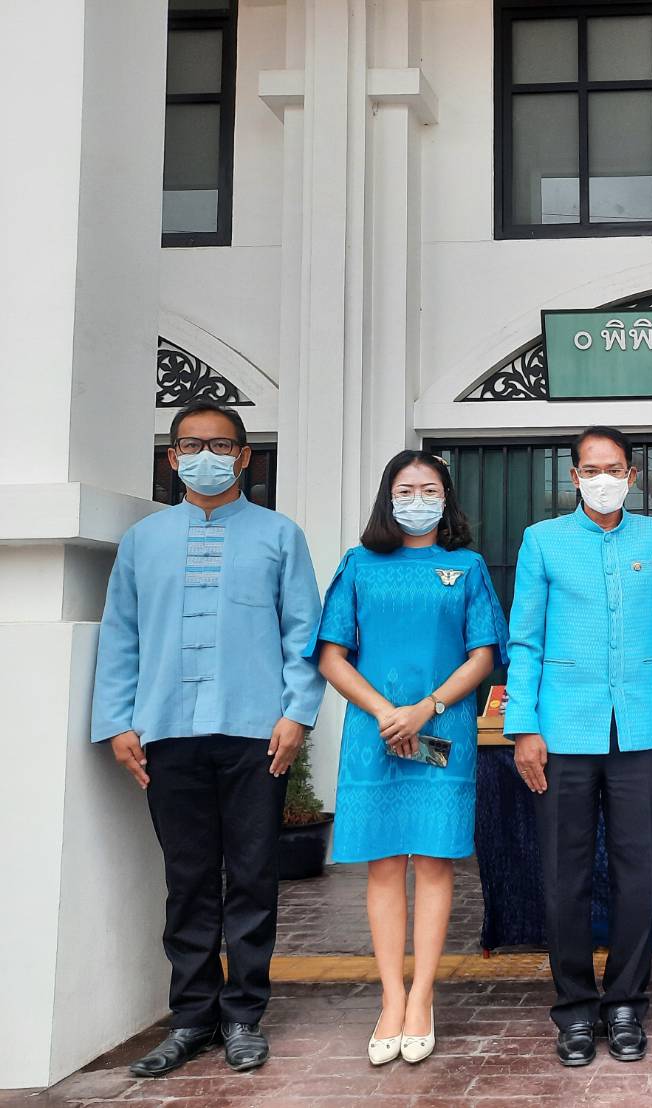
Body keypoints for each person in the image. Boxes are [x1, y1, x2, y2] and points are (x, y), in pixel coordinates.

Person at [91, 401, 325, 1078]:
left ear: (246, 458)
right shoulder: (144, 541)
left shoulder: (280, 535)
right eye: (192, 444)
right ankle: (192, 1017)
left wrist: (297, 714)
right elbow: (121, 635)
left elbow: (301, 635)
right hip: (166, 732)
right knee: (187, 879)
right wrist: (118, 722)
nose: (207, 456)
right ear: (171, 458)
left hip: (258, 733)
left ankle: (245, 1016)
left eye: (221, 446)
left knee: (253, 876)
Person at [505, 426, 652, 1067]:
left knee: (638, 874)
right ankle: (574, 1010)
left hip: (640, 731)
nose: (603, 477)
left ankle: (625, 1005)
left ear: (632, 475)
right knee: (566, 877)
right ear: (574, 477)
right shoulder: (543, 541)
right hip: (563, 732)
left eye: (613, 467)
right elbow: (525, 641)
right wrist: (525, 727)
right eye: (591, 468)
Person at [313, 451, 507, 1066]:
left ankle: (422, 996)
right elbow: (332, 655)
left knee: (433, 862)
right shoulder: (359, 564)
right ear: (386, 497)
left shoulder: (467, 566)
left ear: (446, 498)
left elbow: (483, 655)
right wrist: (383, 711)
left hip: (442, 732)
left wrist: (424, 708)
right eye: (406, 488)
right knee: (381, 865)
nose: (417, 498)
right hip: (375, 735)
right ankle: (390, 997)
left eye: (429, 488)